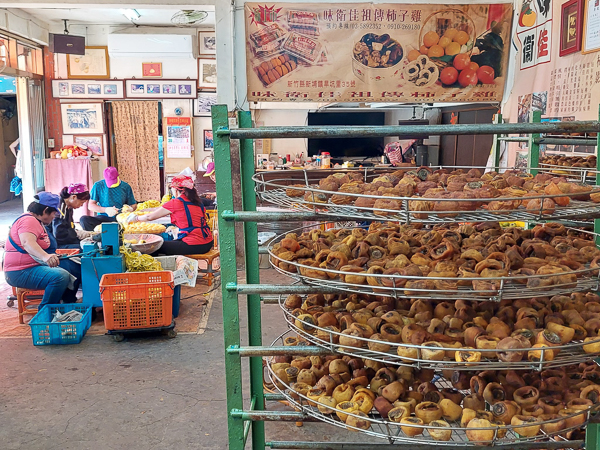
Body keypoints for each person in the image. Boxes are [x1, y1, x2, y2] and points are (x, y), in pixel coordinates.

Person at [3, 192, 81, 306]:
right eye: (53, 213)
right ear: (45, 210)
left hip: (32, 266)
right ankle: (46, 311)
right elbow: (27, 242)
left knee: (74, 265)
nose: (54, 216)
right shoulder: (28, 220)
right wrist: (46, 257)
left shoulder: (37, 221)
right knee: (60, 276)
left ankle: (68, 302)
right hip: (20, 271)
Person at [127, 175, 213, 255]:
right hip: (207, 242)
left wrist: (136, 218)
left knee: (152, 247)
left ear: (178, 190)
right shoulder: (198, 201)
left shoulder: (176, 202)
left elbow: (150, 217)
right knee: (168, 243)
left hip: (194, 244)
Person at [80, 167, 137, 231]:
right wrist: (106, 210)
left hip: (120, 218)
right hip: (103, 218)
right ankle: (96, 237)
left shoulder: (126, 186)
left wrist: (130, 208)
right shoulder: (98, 185)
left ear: (118, 176)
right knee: (84, 220)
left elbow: (133, 204)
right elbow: (91, 206)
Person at [51, 183, 92, 248]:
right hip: (57, 244)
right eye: (82, 202)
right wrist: (76, 236)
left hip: (67, 239)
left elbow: (70, 227)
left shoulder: (69, 207)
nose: (81, 205)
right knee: (87, 248)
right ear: (74, 197)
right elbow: (59, 234)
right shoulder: (60, 209)